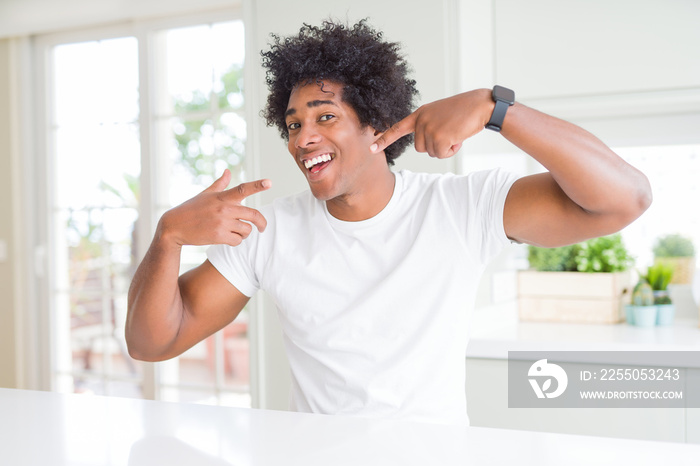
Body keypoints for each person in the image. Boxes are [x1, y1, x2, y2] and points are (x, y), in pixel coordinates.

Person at [126, 20, 652, 425]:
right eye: (293, 124)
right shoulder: (269, 229)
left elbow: (624, 199)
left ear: (376, 125)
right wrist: (168, 236)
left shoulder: (462, 208)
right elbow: (152, 343)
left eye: (324, 116)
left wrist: (497, 111)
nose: (302, 137)